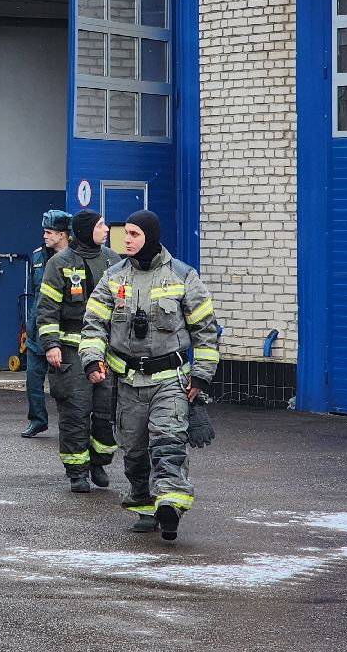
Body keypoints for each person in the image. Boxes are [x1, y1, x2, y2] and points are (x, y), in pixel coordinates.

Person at [79, 210, 220, 542]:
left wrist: (201, 377)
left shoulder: (183, 277)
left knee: (168, 442)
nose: (126, 240)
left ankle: (170, 503)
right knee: (134, 450)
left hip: (170, 381)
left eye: (134, 234)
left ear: (151, 237)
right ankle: (144, 503)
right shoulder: (113, 278)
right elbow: (93, 325)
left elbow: (205, 332)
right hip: (127, 382)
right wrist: (92, 360)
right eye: (125, 233)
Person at [37, 209, 120, 493]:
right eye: (101, 225)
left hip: (107, 351)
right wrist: (51, 345)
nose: (106, 229)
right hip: (71, 351)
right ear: (86, 230)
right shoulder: (60, 263)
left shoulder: (113, 260)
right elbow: (47, 309)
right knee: (76, 412)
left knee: (106, 411)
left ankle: (99, 461)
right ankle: (77, 471)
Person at [22, 210, 72, 438]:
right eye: (44, 231)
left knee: (66, 382)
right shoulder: (37, 256)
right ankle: (37, 420)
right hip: (37, 328)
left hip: (64, 329)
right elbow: (35, 292)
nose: (44, 236)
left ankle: (71, 424)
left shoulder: (75, 258)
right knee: (33, 378)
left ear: (62, 235)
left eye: (49, 232)